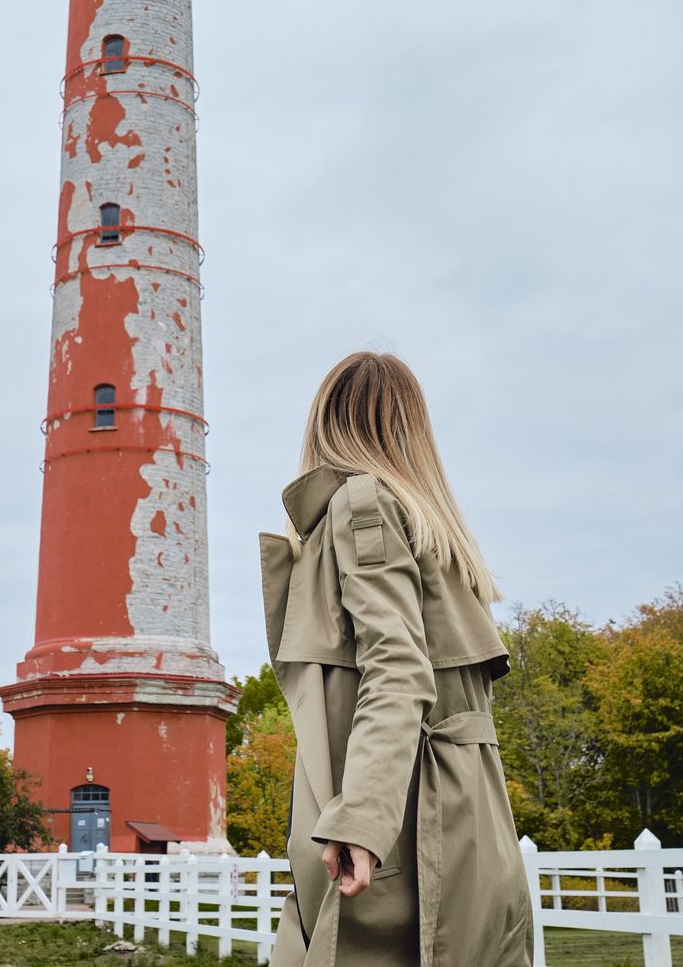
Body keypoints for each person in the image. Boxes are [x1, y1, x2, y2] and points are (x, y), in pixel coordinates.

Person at [258, 351, 534, 966]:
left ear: (326, 421)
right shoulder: (433, 527)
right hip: (473, 836)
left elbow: (397, 666)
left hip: (411, 834)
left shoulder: (365, 507)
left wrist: (360, 818)